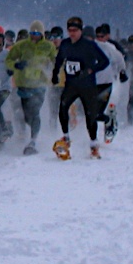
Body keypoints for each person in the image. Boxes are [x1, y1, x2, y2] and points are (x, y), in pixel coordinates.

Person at [51, 16, 109, 158]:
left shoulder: (89, 45)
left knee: (91, 116)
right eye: (70, 30)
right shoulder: (65, 44)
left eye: (75, 31)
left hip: (87, 86)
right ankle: (66, 137)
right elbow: (59, 60)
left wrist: (90, 70)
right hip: (71, 85)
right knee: (62, 108)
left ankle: (94, 144)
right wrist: (55, 74)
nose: (72, 33)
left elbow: (104, 61)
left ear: (81, 31)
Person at [5, 19, 56, 155]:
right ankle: (24, 135)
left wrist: (51, 69)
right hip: (23, 85)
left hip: (40, 85)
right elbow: (9, 60)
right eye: (32, 33)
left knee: (35, 112)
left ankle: (33, 141)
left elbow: (56, 60)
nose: (34, 36)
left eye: (37, 33)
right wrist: (16, 65)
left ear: (42, 34)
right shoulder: (21, 46)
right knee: (25, 115)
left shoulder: (48, 46)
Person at [91, 24, 126, 141]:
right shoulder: (90, 46)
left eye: (102, 36)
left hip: (107, 82)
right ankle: (93, 134)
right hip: (93, 82)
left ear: (107, 36)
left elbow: (120, 59)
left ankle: (110, 125)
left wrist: (122, 72)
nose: (99, 39)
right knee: (92, 111)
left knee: (106, 107)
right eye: (97, 36)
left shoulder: (111, 47)